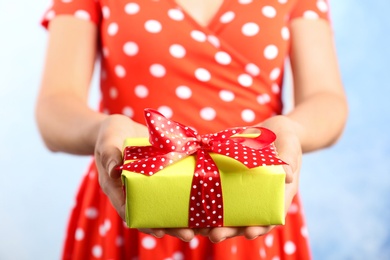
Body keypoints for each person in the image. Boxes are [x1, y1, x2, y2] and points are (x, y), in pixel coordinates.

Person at [36, 0, 348, 259]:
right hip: (130, 193)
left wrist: (291, 130)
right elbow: (54, 106)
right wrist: (103, 129)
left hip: (251, 193)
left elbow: (327, 99)